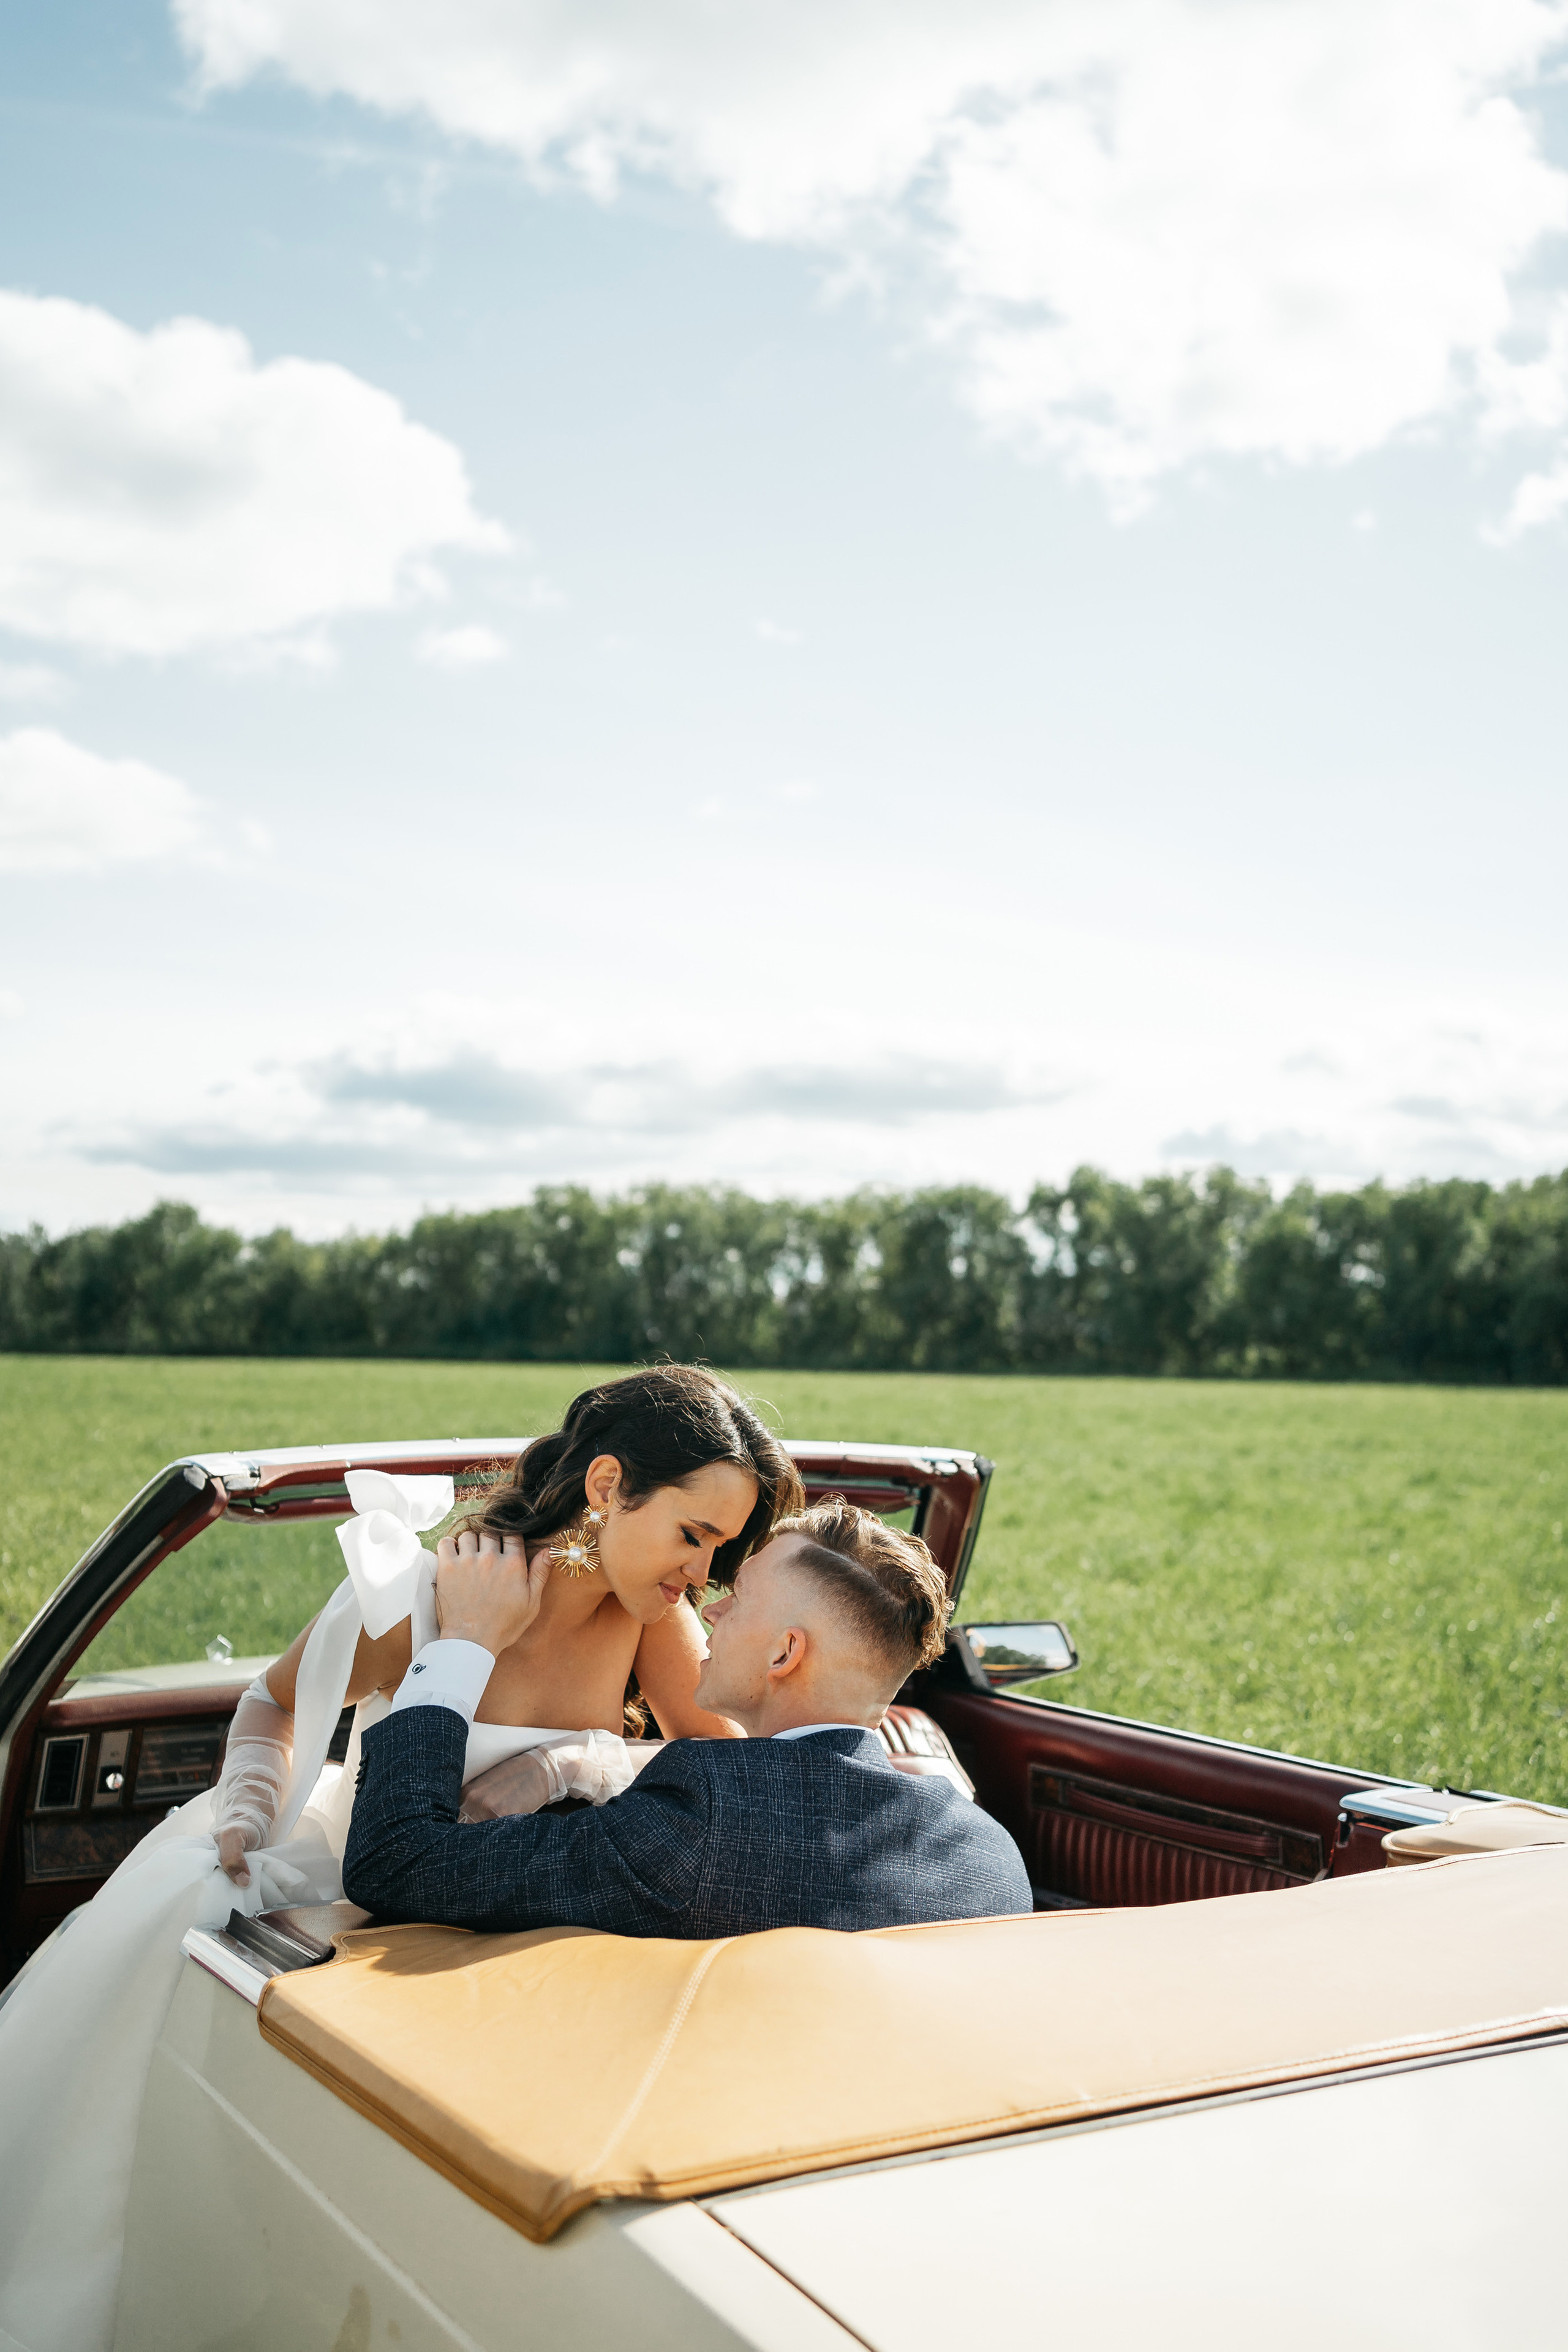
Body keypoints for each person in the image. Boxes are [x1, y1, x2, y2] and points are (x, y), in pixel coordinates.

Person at [0, 1366, 800, 2352]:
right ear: (607, 1488)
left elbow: (719, 1768)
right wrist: (253, 1803)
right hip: (373, 1903)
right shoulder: (420, 1594)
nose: (705, 1574)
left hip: (533, 1938)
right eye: (695, 1534)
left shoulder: (651, 1618)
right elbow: (275, 1702)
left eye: (722, 1548)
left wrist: (578, 1759)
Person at [345, 1498, 1033, 1934]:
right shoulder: (989, 1855)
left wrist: (464, 1642)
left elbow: (397, 1862)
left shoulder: (699, 1817)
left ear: (784, 1654)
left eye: (740, 1597)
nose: (710, 1610)